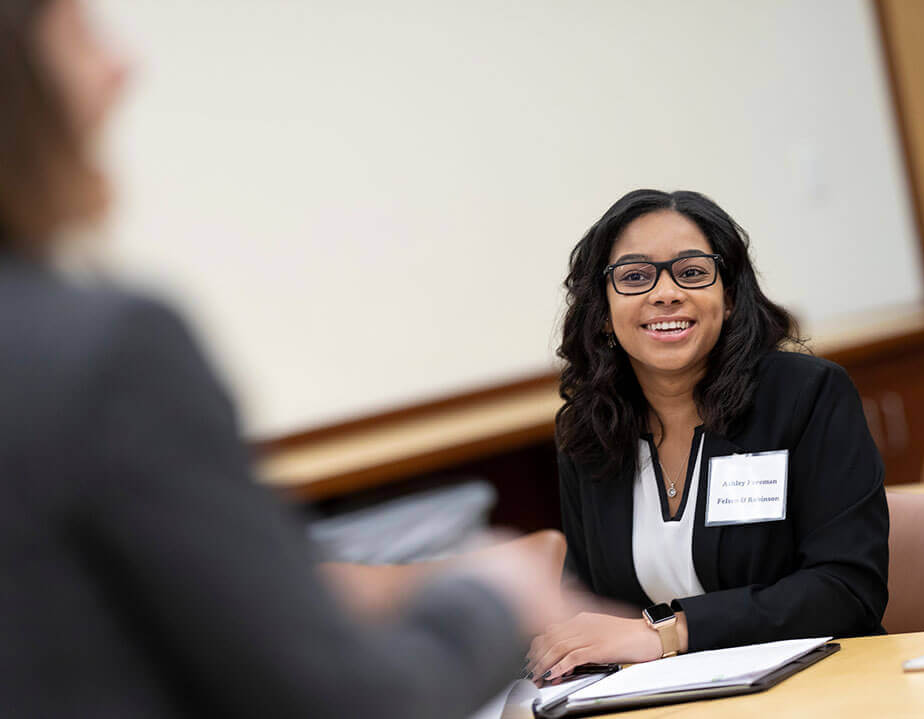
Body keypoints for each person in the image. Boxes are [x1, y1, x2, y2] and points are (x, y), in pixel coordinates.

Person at [0, 1, 562, 716]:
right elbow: (347, 702)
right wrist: (493, 593)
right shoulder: (111, 350)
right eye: (79, 33)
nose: (122, 65)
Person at [526, 189, 889, 681]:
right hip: (662, 699)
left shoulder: (807, 396)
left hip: (820, 685)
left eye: (692, 272)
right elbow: (592, 605)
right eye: (634, 277)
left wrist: (665, 636)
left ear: (731, 296)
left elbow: (845, 590)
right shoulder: (588, 430)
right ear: (602, 310)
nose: (665, 293)